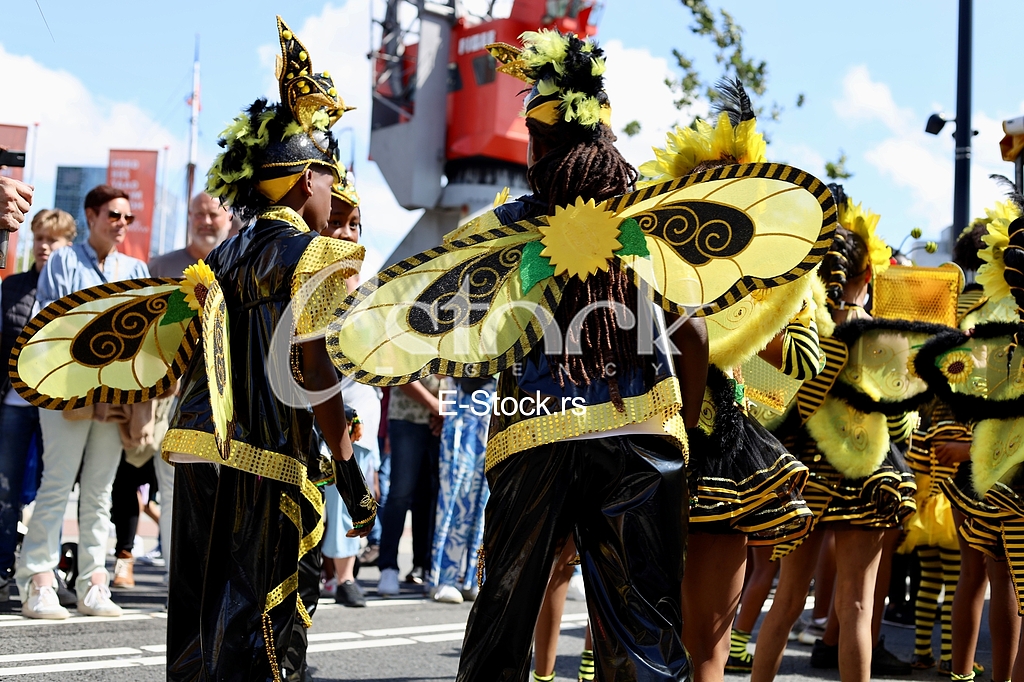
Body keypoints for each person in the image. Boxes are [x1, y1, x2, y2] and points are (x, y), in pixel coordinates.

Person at [161, 17, 372, 681]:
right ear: (308, 179)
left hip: (197, 446)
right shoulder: (316, 254)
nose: (335, 199)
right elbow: (316, 371)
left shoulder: (221, 255)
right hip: (264, 456)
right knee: (264, 624)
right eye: (331, 182)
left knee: (199, 618)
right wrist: (349, 468)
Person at [638, 80, 818, 682]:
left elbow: (795, 365)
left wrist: (761, 317)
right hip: (666, 443)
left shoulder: (770, 279)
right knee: (660, 639)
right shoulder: (651, 266)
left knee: (692, 645)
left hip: (696, 448)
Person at [750, 193, 926, 682]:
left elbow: (771, 403)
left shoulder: (800, 332)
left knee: (784, 603)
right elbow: (904, 425)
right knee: (856, 606)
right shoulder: (886, 339)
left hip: (804, 477)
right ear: (868, 276)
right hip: (869, 478)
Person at [14, 185, 149, 620]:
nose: (121, 224)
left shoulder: (137, 266)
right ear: (90, 216)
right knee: (56, 484)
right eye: (114, 215)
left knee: (100, 492)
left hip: (114, 395)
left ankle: (94, 582)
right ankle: (37, 580)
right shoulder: (63, 261)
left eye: (127, 217)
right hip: (68, 389)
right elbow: (50, 322)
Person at [113, 190, 233, 587]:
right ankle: (176, 582)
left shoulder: (240, 262)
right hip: (173, 398)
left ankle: (214, 579)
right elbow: (151, 335)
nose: (205, 220)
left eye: (212, 213)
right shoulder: (163, 265)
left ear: (227, 217)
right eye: (197, 213)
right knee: (173, 489)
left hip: (227, 399)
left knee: (222, 492)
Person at [0, 209, 75, 598]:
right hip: (13, 403)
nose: (46, 246)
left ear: (67, 243)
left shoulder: (75, 292)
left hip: (58, 405)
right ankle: (2, 567)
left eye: (56, 239)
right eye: (41, 238)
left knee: (54, 488)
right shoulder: (11, 287)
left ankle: (47, 571)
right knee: (5, 488)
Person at [318, 172, 383, 608]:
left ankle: (344, 575)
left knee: (352, 488)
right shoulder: (299, 285)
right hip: (312, 410)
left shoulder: (372, 291)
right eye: (337, 220)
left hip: (358, 407)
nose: (346, 232)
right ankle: (327, 572)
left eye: (354, 224)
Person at [428, 373, 493, 604]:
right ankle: (444, 577)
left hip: (499, 404)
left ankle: (474, 579)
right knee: (456, 492)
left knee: (489, 496)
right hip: (463, 402)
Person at [377, 376, 441, 596]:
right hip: (407, 417)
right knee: (400, 494)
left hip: (442, 419)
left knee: (433, 495)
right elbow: (400, 375)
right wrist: (435, 406)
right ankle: (388, 567)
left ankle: (425, 565)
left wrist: (445, 411)